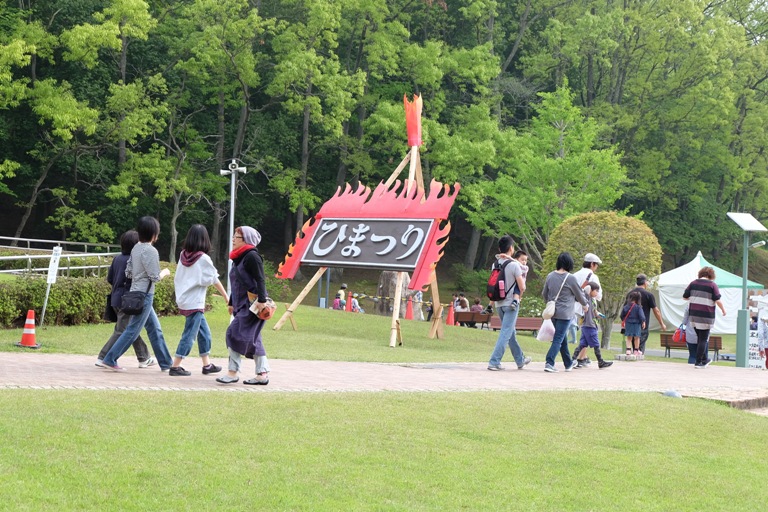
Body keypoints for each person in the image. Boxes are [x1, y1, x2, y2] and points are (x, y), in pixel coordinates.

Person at [101, 216, 174, 372]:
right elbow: (155, 277)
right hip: (145, 296)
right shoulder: (151, 251)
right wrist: (165, 272)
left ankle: (167, 363)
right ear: (154, 233)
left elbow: (128, 272)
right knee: (133, 330)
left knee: (155, 329)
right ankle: (110, 358)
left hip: (136, 293)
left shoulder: (135, 249)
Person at [169, 224, 229, 377]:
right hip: (194, 302)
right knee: (189, 334)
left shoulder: (183, 255)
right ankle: (176, 366)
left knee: (204, 333)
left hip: (185, 299)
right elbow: (213, 278)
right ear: (205, 240)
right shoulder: (203, 258)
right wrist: (225, 296)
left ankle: (207, 364)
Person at [216, 226, 271, 385]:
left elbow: (260, 280)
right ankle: (262, 374)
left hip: (253, 306)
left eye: (237, 237)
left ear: (246, 240)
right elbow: (237, 283)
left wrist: (261, 301)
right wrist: (232, 303)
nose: (233, 240)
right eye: (233, 236)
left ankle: (232, 372)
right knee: (254, 339)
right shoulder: (238, 258)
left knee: (233, 333)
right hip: (241, 305)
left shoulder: (252, 256)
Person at [95, 230, 155, 369]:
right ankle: (103, 357)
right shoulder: (134, 260)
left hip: (115, 299)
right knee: (122, 331)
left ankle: (144, 357)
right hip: (128, 300)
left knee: (131, 329)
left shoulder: (117, 258)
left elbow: (110, 278)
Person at [487, 235, 531, 371]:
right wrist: (519, 297)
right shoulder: (514, 265)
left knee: (510, 332)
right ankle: (494, 361)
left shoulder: (495, 264)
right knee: (506, 332)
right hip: (511, 303)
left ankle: (520, 360)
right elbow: (522, 286)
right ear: (511, 248)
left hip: (499, 302)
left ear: (500, 248)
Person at [541, 252, 588, 372]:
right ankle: (549, 362)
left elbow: (544, 294)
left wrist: (550, 303)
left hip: (553, 313)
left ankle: (568, 363)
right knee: (558, 338)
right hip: (565, 314)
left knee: (562, 339)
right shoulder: (570, 278)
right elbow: (579, 295)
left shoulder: (550, 276)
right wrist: (585, 305)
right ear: (569, 263)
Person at [683, 266, 726, 369]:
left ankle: (704, 359)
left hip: (693, 315)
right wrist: (723, 310)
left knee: (700, 338)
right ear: (710, 275)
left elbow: (685, 296)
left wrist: (695, 298)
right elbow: (717, 299)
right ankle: (698, 362)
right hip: (706, 316)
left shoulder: (692, 283)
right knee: (703, 339)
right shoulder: (712, 285)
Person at [572, 282, 613, 369]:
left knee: (582, 344)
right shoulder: (586, 298)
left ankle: (572, 359)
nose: (597, 293)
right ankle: (600, 361)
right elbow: (585, 290)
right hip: (589, 326)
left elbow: (593, 311)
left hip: (588, 325)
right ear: (590, 290)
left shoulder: (592, 300)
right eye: (596, 291)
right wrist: (589, 286)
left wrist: (598, 314)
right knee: (596, 344)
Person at [571, 253, 602, 357]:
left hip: (574, 307)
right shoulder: (593, 276)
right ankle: (580, 358)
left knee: (584, 332)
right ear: (592, 264)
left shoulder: (574, 275)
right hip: (587, 309)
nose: (596, 267)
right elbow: (599, 296)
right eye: (596, 265)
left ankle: (582, 357)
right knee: (587, 332)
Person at [629, 273, 667, 353]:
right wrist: (661, 324)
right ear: (645, 282)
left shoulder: (630, 294)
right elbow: (656, 311)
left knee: (633, 347)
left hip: (631, 323)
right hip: (643, 325)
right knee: (639, 349)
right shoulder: (648, 295)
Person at [621, 291, 646, 357]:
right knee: (637, 337)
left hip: (628, 323)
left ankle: (628, 350)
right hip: (637, 324)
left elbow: (622, 315)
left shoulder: (626, 306)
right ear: (638, 299)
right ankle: (636, 350)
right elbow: (641, 316)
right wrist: (643, 322)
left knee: (629, 337)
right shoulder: (638, 307)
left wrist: (624, 320)